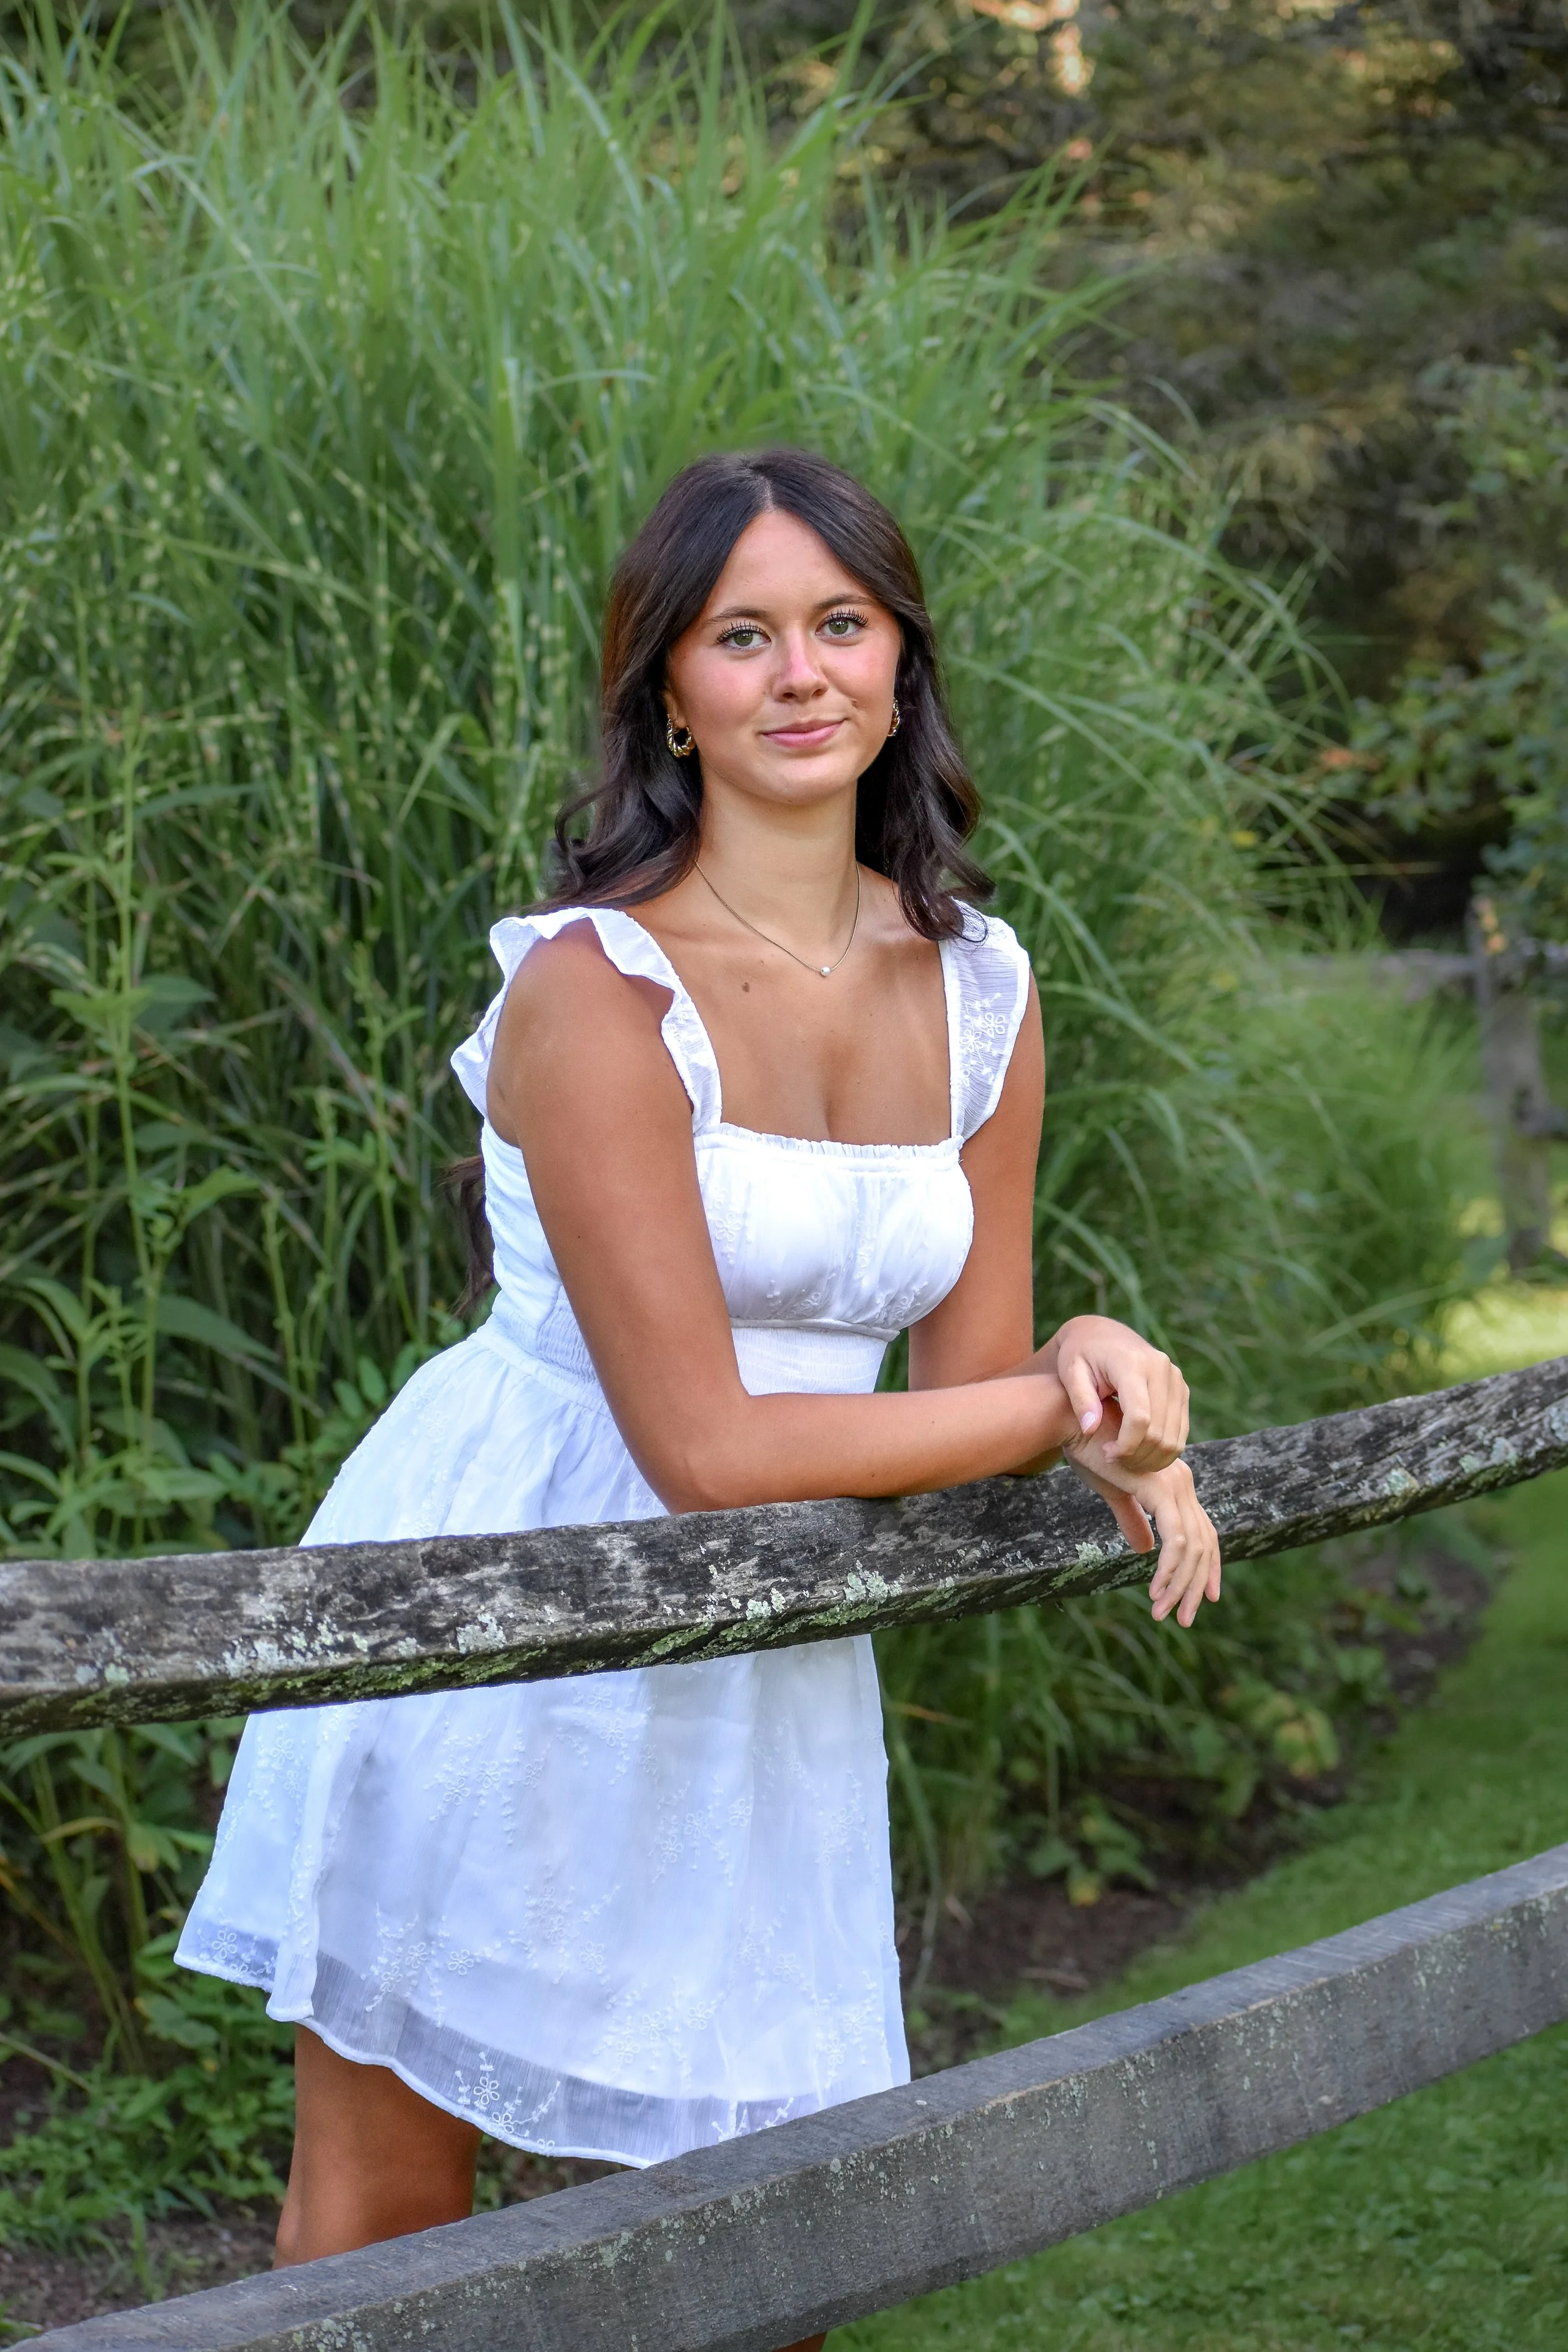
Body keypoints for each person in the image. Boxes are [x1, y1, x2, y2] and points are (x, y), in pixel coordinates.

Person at [177, 447, 1220, 2351]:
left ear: (902, 661)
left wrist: (1068, 1350)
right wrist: (1064, 1415)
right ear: (671, 686)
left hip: (772, 1650)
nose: (798, 672)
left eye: (839, 622)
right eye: (742, 635)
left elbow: (959, 1386)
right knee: (392, 2225)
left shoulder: (981, 986)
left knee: (774, 2240)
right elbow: (710, 1449)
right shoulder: (594, 988)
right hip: (503, 1600)